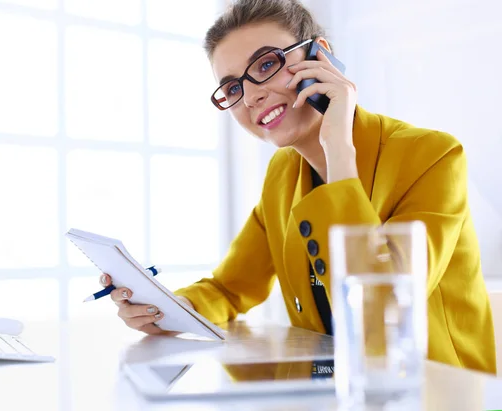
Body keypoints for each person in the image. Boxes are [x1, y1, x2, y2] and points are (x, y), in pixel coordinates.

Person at [99, 0, 496, 374]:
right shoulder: (283, 174)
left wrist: (338, 147)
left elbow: (381, 309)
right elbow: (229, 288)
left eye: (267, 64)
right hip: (336, 388)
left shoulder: (431, 155)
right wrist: (164, 310)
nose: (252, 94)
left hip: (439, 390)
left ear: (319, 56)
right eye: (233, 88)